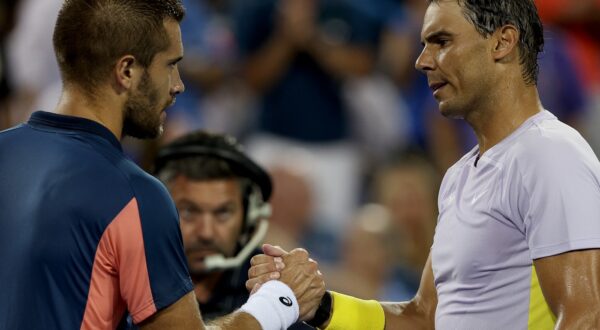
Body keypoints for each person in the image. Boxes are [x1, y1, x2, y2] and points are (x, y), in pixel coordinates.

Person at [248, 0, 600, 329]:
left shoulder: (549, 154)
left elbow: (586, 316)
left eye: (441, 41)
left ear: (502, 42)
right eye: (423, 44)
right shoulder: (460, 175)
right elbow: (423, 317)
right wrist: (320, 305)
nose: (422, 61)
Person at [0, 1, 324, 329]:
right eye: (170, 65)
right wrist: (279, 299)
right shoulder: (133, 195)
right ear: (126, 71)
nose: (178, 85)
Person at [152, 130, 312, 329]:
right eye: (189, 212)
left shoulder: (270, 284)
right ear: (158, 212)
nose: (206, 233)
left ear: (248, 218)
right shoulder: (129, 277)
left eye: (223, 213)